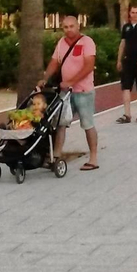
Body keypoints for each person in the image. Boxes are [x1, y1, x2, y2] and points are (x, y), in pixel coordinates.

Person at [47, 16, 99, 171]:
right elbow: (54, 63)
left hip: (83, 91)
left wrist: (71, 81)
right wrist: (44, 78)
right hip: (65, 93)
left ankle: (94, 158)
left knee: (87, 124)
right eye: (65, 27)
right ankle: (56, 156)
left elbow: (89, 66)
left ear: (78, 26)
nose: (69, 29)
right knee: (61, 124)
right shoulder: (61, 43)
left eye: (71, 26)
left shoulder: (87, 42)